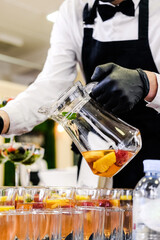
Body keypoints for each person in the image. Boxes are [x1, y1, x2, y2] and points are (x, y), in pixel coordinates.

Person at [0, 0, 160, 188]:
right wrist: (5, 118)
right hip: (99, 156)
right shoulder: (73, 9)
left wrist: (149, 83)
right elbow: (52, 85)